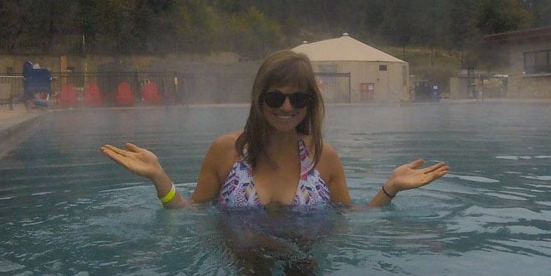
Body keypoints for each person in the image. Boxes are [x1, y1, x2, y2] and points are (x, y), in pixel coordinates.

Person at [100, 49, 449, 209]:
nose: (286, 107)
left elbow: (350, 220)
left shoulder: (325, 159)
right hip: (244, 262)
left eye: (298, 99)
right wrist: (160, 179)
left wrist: (390, 189)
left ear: (309, 104)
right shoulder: (226, 151)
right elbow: (193, 213)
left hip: (304, 259)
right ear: (258, 99)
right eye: (276, 97)